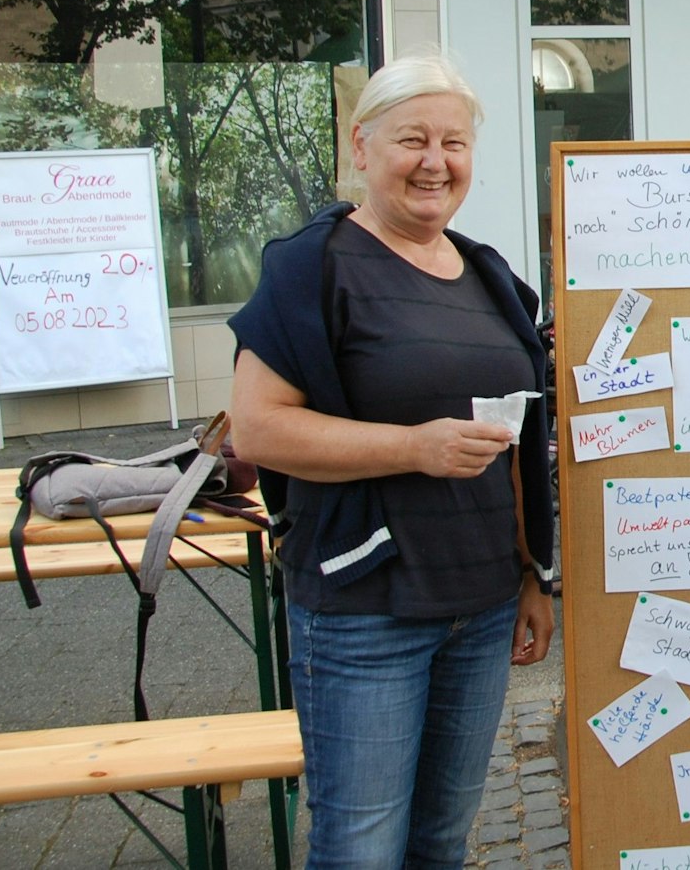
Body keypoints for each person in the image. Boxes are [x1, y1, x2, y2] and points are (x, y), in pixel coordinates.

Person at [229, 53, 557, 869]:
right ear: (361, 145)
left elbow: (517, 442)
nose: (434, 161)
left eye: (454, 142)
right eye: (413, 139)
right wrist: (413, 447)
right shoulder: (312, 267)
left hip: (482, 606)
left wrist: (531, 573)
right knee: (360, 848)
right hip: (365, 609)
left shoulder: (491, 276)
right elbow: (258, 429)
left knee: (442, 841)